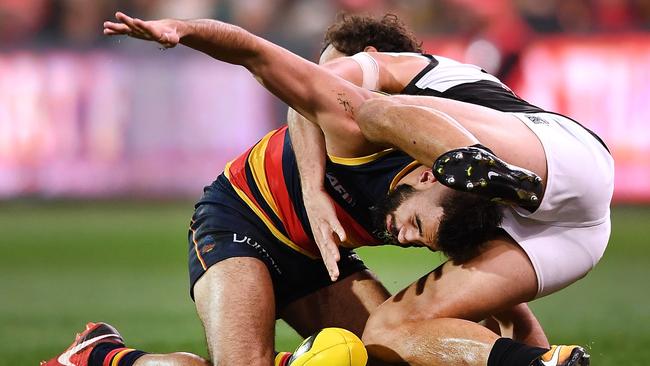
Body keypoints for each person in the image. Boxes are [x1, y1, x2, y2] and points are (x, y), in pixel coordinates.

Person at [99, 10, 613, 366]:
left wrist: (542, 357)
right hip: (243, 218)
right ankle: (104, 356)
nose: (410, 242)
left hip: (325, 257)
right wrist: (183, 30)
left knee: (399, 350)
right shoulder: (368, 125)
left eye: (417, 237)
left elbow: (509, 311)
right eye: (416, 228)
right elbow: (260, 56)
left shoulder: (463, 203)